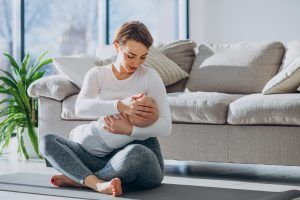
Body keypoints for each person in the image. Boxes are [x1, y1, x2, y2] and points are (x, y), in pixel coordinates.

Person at [39, 21, 172, 197]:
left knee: (136, 153)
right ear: (117, 46)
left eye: (143, 57)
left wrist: (129, 130)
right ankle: (99, 183)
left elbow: (166, 126)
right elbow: (80, 107)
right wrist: (120, 105)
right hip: (101, 157)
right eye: (130, 55)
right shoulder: (98, 74)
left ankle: (81, 180)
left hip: (140, 161)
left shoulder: (150, 77)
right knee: (47, 141)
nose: (136, 63)